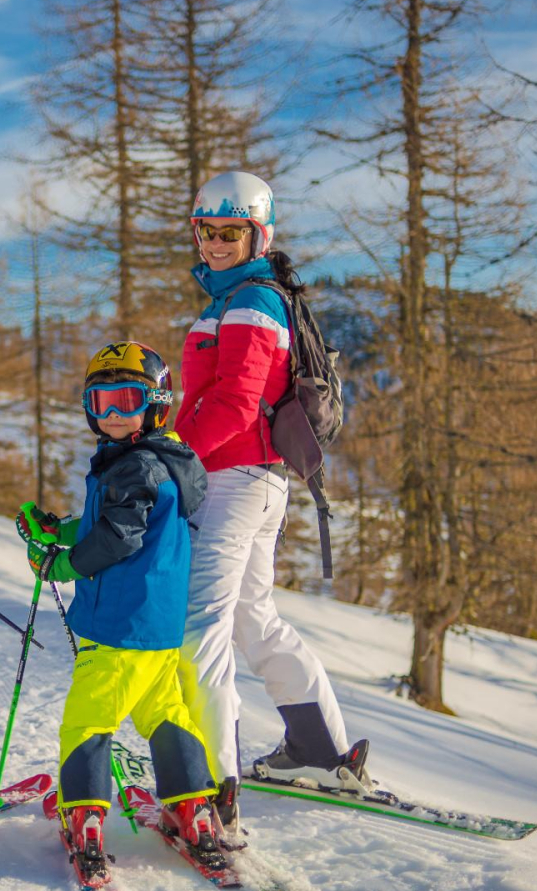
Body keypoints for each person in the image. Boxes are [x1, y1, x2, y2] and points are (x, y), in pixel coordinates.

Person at [174, 170, 371, 834]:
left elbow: (234, 403)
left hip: (233, 479)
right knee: (252, 617)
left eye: (231, 232)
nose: (216, 242)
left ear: (258, 235)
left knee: (201, 625)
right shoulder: (241, 296)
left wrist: (168, 456)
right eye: (206, 230)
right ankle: (319, 750)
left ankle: (207, 783)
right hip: (256, 481)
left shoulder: (251, 300)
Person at [21, 341, 223, 880]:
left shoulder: (134, 467)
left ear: (156, 403)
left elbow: (118, 536)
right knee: (165, 713)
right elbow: (121, 523)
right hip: (158, 628)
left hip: (116, 628)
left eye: (126, 400)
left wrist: (63, 565)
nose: (111, 414)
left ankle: (83, 816)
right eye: (100, 401)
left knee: (89, 720)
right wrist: (61, 530)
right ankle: (192, 808)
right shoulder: (164, 461)